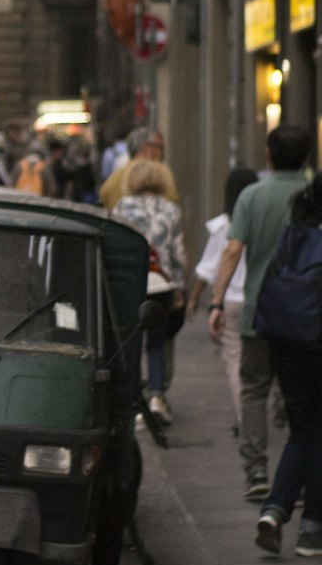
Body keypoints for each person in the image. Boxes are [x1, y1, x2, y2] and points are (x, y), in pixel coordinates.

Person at [208, 124, 311, 500]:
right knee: (298, 395)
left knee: (254, 391)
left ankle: (256, 471)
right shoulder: (312, 194)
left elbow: (233, 251)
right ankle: (296, 474)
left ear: (268, 154)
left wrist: (217, 301)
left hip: (259, 312)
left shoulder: (252, 195)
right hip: (306, 317)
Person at [253, 171, 322, 558]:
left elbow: (271, 280)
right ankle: (312, 528)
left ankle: (275, 510)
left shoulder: (296, 233)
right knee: (317, 433)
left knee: (303, 430)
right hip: (317, 343)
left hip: (288, 342)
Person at [114, 159, 187, 426]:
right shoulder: (171, 210)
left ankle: (134, 404)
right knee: (156, 342)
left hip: (132, 282)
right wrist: (179, 288)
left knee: (132, 343)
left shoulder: (122, 207)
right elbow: (179, 254)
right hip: (161, 284)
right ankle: (156, 396)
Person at [187, 167, 259, 429]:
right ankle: (261, 414)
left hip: (230, 301)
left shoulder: (223, 226)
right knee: (261, 363)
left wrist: (195, 298)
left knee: (235, 362)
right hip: (259, 299)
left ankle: (246, 419)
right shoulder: (261, 221)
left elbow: (207, 269)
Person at [99, 127, 179, 211]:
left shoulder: (111, 182)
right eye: (160, 147)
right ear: (146, 148)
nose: (163, 154)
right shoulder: (161, 179)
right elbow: (172, 201)